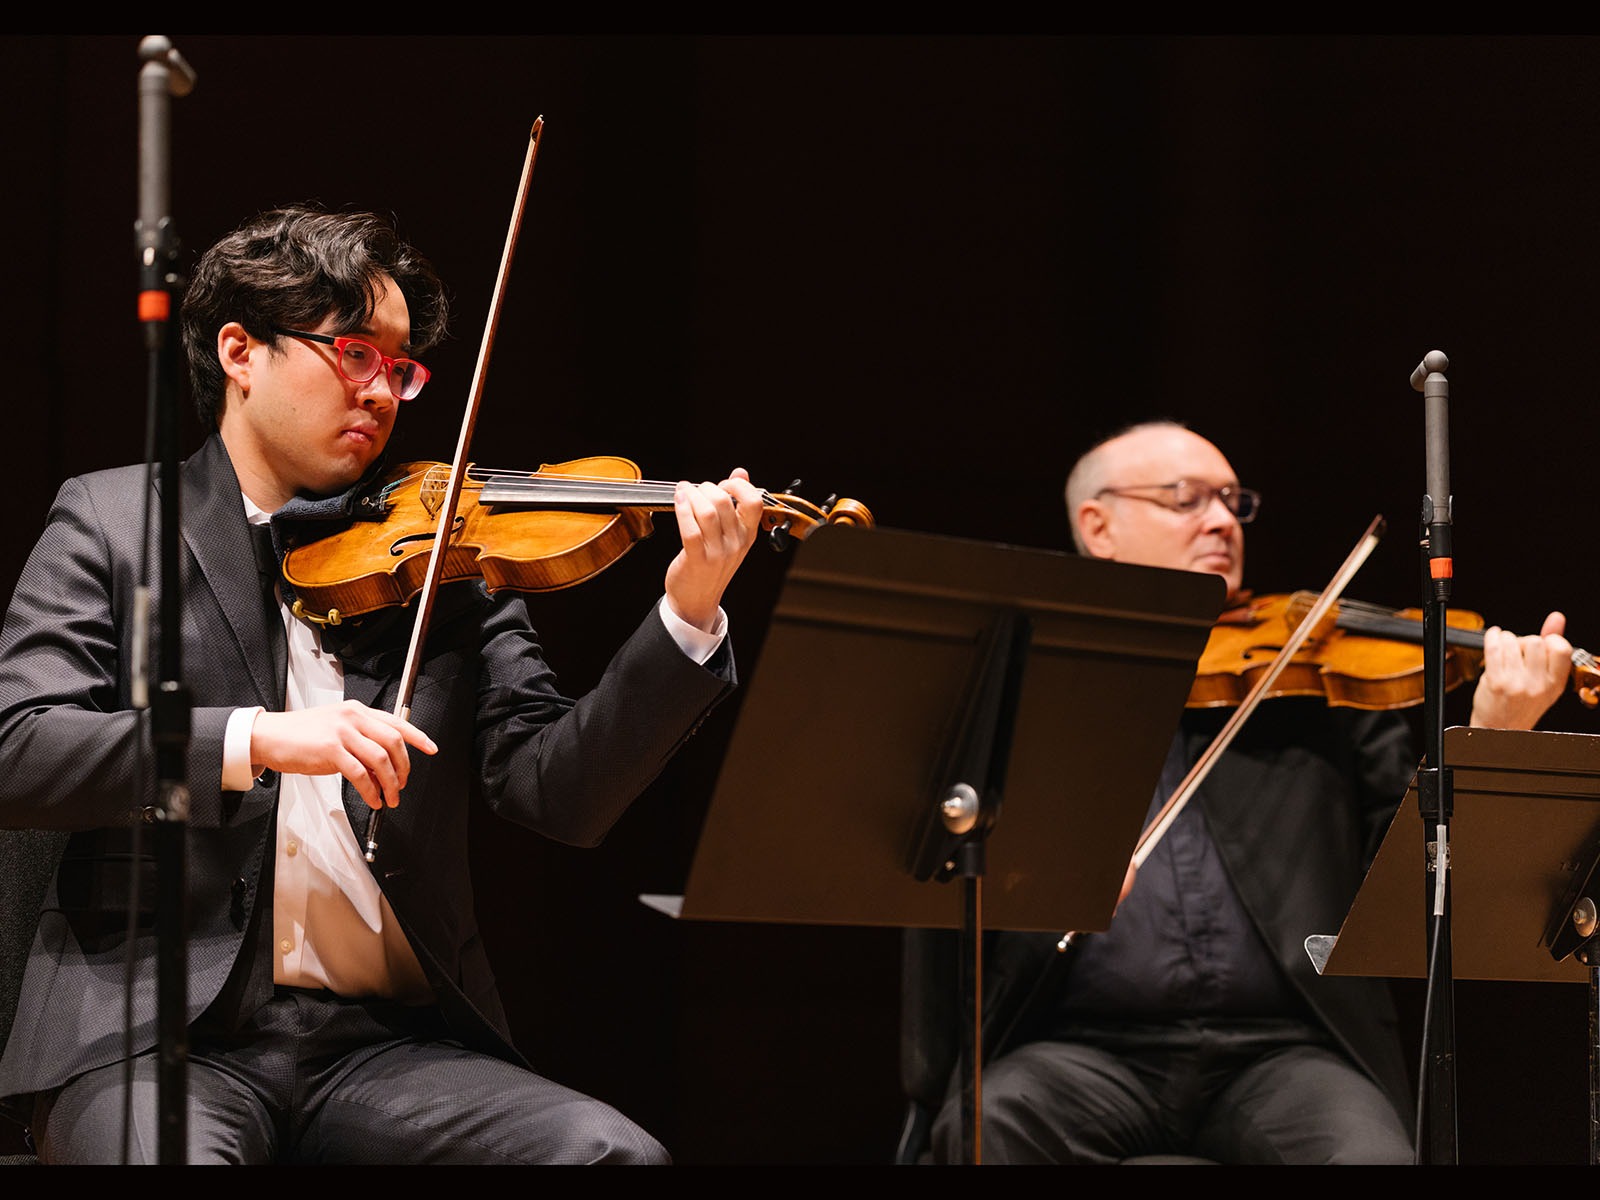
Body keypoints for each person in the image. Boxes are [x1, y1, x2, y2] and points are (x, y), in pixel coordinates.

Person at [0, 205, 767, 1164]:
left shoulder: (439, 558)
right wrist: (254, 737)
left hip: (384, 1049)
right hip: (157, 1039)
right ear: (240, 352)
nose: (382, 392)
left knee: (609, 1156)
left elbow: (559, 795)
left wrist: (688, 609)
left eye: (400, 369)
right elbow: (19, 748)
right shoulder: (116, 522)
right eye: (355, 353)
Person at [925, 419, 1573, 1165]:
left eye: (1234, 502)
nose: (1223, 522)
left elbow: (1416, 883)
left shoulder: (1320, 684)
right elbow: (941, 877)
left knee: (1369, 1158)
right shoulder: (1026, 690)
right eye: (1187, 499)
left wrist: (1491, 736)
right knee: (989, 1129)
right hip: (1077, 1050)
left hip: (1284, 1055)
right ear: (1099, 527)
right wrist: (1042, 888)